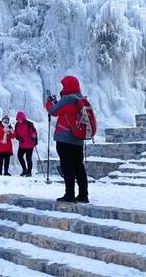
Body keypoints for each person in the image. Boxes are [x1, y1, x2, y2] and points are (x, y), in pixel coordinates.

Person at [46, 75, 90, 203]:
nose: (63, 87)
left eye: (64, 85)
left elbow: (53, 111)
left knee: (67, 166)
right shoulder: (80, 98)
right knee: (78, 166)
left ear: (69, 86)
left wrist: (49, 103)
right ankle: (83, 194)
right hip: (78, 139)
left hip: (65, 138)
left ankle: (69, 194)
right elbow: (66, 111)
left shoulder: (68, 98)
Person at [14, 111, 37, 177]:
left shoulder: (29, 124)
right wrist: (18, 138)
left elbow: (34, 132)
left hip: (30, 144)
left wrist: (34, 139)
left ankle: (29, 172)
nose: (19, 120)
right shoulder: (17, 125)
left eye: (20, 119)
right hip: (22, 144)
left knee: (28, 158)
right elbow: (16, 133)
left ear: (23, 118)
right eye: (18, 119)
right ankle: (24, 170)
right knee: (19, 156)